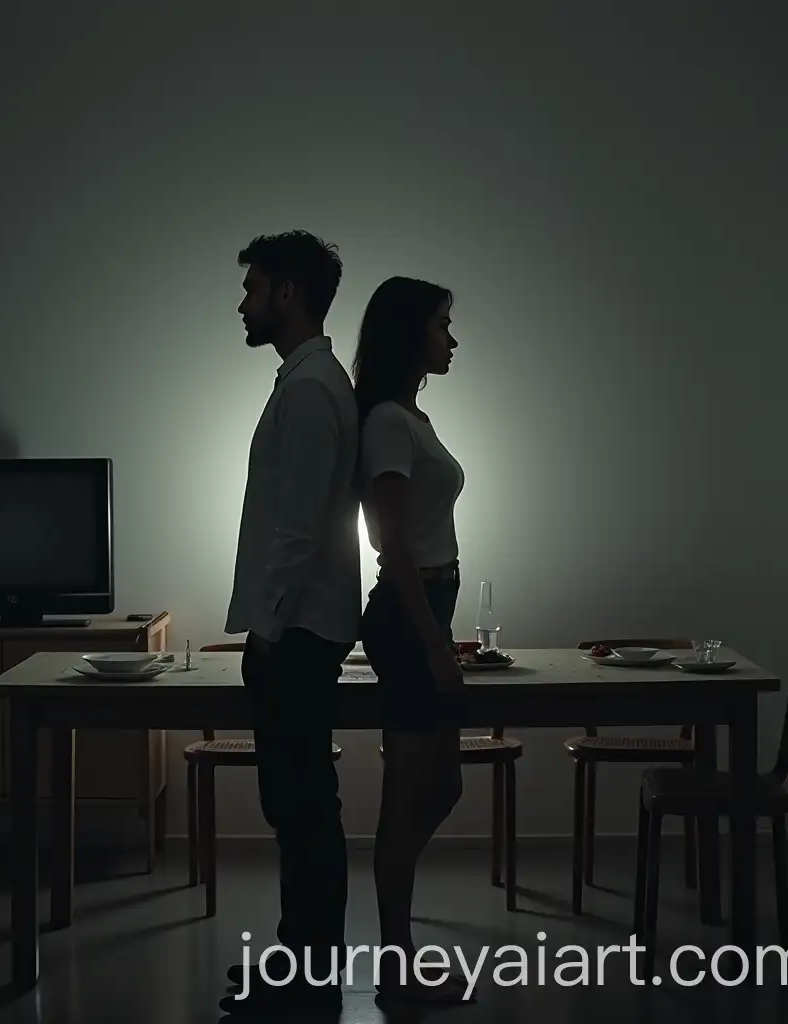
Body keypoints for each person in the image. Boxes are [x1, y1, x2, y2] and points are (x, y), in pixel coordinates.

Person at [220, 230, 361, 1017]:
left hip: (298, 632)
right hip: (300, 627)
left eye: (253, 286)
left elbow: (299, 527)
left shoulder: (309, 391)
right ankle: (300, 975)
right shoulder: (308, 383)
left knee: (302, 809)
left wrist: (267, 630)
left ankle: (305, 989)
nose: (242, 302)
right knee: (301, 808)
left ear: (287, 294)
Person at [352, 275, 471, 1003]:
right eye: (441, 325)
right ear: (410, 335)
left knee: (444, 784)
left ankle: (397, 938)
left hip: (429, 610)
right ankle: (397, 964)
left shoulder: (412, 419)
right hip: (408, 615)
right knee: (409, 794)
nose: (452, 339)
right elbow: (388, 540)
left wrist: (440, 632)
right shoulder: (390, 423)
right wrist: (430, 641)